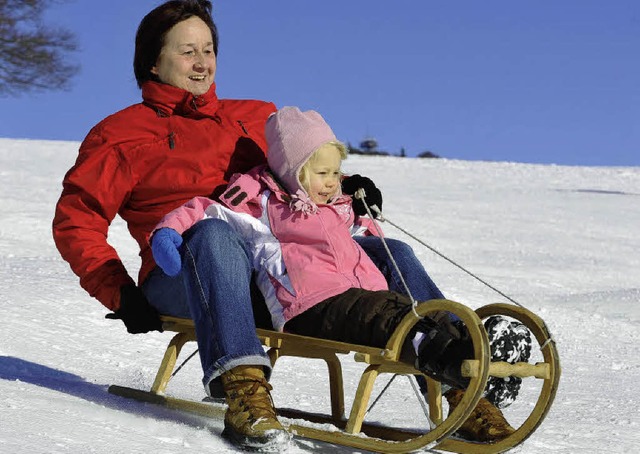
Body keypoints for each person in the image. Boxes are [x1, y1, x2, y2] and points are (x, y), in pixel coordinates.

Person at [51, 1, 456, 451]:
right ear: (152, 60)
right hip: (181, 275)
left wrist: (340, 184)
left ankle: (459, 371)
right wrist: (119, 291)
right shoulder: (121, 134)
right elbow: (77, 220)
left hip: (275, 272)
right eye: (188, 52)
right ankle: (243, 389)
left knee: (391, 252)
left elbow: (297, 175)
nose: (202, 63)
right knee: (214, 233)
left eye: (209, 49)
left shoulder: (251, 118)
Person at [151, 106, 522, 442]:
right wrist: (168, 232)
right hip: (311, 304)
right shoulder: (260, 201)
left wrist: (362, 209)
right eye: (323, 173)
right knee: (386, 318)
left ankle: (466, 364)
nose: (333, 181)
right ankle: (454, 357)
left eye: (336, 172)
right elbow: (206, 210)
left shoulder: (335, 205)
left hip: (358, 296)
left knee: (398, 288)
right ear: (291, 170)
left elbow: (358, 237)